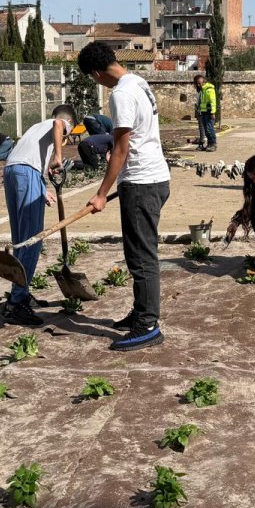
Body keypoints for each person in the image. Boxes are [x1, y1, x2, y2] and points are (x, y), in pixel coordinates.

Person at [78, 41, 171, 351]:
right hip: (156, 177)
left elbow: (121, 147)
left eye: (93, 79)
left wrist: (101, 193)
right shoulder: (138, 82)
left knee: (142, 257)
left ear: (95, 73)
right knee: (139, 253)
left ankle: (147, 325)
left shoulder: (120, 93)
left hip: (142, 183)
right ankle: (140, 312)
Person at [1, 103, 76, 327]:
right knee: (33, 240)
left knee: (20, 240)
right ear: (69, 124)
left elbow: (25, 159)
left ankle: (19, 292)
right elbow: (58, 123)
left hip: (12, 171)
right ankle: (17, 302)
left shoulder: (35, 128)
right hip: (27, 173)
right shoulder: (59, 123)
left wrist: (42, 188)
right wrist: (57, 157)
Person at [193, 72, 218, 151]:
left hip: (209, 112)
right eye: (197, 83)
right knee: (206, 130)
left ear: (203, 81)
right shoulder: (203, 90)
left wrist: (213, 112)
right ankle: (209, 144)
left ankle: (213, 144)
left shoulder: (209, 89)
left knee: (209, 129)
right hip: (203, 112)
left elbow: (212, 101)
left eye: (200, 83)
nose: (198, 85)